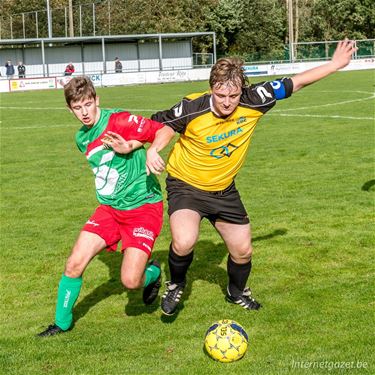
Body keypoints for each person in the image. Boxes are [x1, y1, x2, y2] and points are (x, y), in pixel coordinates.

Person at [143, 39, 358, 316]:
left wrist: (334, 65)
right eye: (221, 96)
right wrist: (155, 149)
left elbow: (296, 82)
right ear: (212, 89)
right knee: (184, 241)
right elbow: (164, 125)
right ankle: (176, 284)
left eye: (233, 96)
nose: (228, 103)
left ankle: (236, 292)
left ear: (241, 91)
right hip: (187, 185)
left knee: (243, 250)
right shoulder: (193, 107)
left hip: (223, 189)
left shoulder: (254, 99)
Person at [37, 76, 169, 337]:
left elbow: (163, 130)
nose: (84, 112)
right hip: (109, 210)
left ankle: (152, 273)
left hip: (143, 208)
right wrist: (132, 147)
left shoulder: (118, 120)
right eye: (77, 107)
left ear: (97, 100)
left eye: (88, 104)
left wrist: (149, 149)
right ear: (70, 109)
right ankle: (61, 324)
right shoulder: (81, 139)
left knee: (131, 281)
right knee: (74, 263)